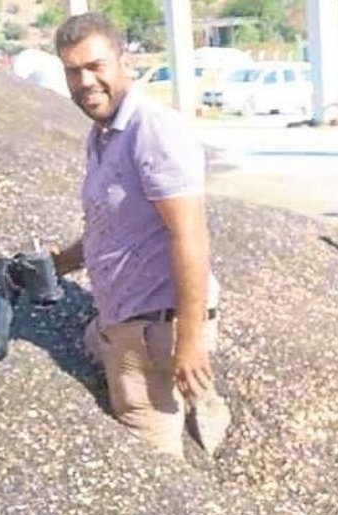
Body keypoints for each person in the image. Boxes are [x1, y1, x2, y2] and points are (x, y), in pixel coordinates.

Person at [49, 12, 230, 460]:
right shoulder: (103, 134)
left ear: (124, 62)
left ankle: (191, 393)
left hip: (156, 329)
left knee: (151, 466)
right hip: (124, 317)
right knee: (94, 338)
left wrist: (188, 343)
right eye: (73, 71)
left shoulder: (151, 129)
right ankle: (190, 391)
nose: (85, 81)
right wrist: (61, 262)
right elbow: (115, 227)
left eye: (96, 66)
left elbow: (189, 235)